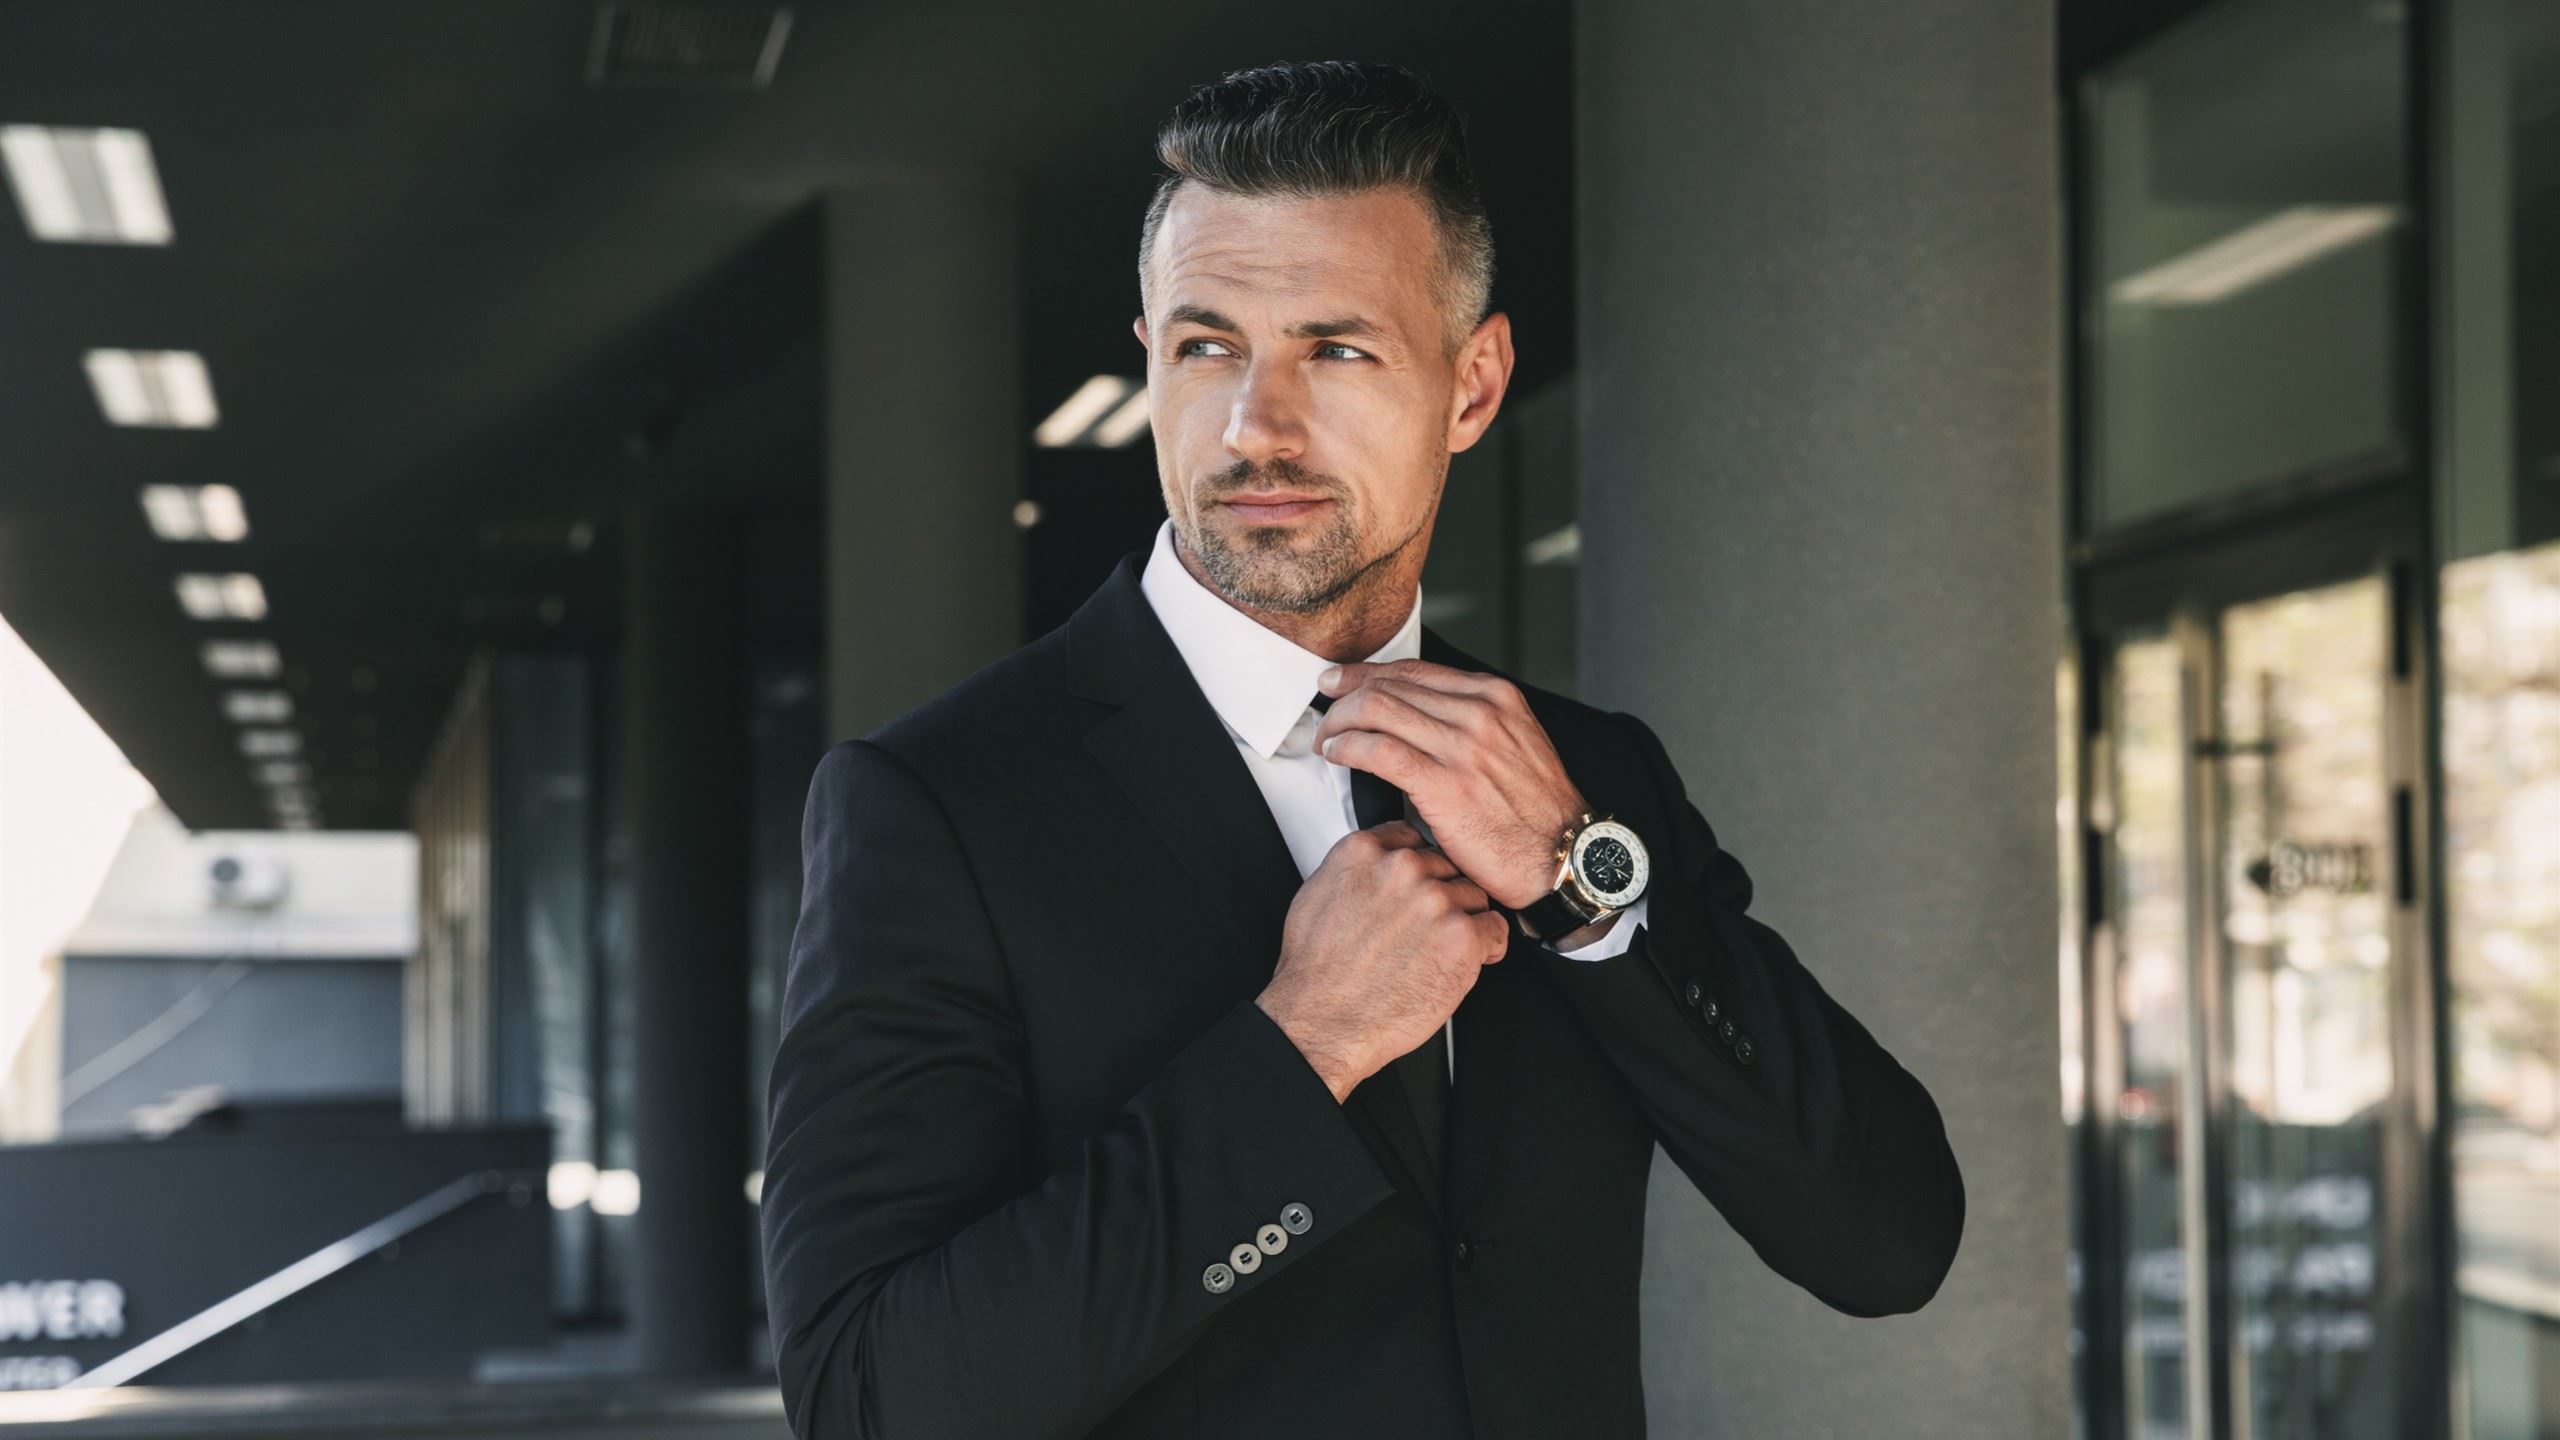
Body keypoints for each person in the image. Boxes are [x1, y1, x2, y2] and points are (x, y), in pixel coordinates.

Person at [760, 58, 1963, 1440]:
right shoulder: (940, 806)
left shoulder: (1590, 785)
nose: (1253, 426)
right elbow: (868, 1399)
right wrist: (1303, 1048)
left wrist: (1586, 901)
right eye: (1206, 345)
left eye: (1335, 349)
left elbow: (1887, 1241)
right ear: (1149, 355)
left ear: (1473, 385)